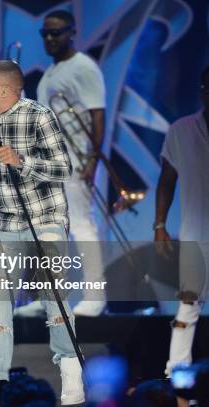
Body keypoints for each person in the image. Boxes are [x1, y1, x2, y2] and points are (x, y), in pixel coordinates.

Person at [0, 60, 84, 405]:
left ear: (5, 89)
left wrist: (21, 161)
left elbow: (63, 168)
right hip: (5, 226)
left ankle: (72, 382)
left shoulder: (39, 116)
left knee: (54, 302)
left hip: (45, 221)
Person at [35, 9, 107, 317]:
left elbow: (97, 113)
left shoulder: (83, 67)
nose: (51, 39)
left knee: (81, 225)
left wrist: (92, 158)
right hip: (48, 163)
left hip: (75, 161)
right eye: (46, 34)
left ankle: (96, 295)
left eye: (57, 32)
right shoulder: (51, 72)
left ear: (72, 32)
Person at [155, 66, 209, 377]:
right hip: (195, 235)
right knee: (188, 305)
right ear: (202, 91)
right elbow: (167, 179)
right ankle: (177, 375)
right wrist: (159, 226)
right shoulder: (182, 130)